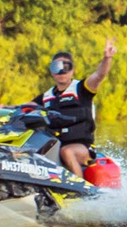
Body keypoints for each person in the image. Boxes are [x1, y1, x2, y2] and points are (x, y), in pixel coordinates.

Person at [29, 40, 116, 177]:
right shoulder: (46, 97)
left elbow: (99, 76)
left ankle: (80, 190)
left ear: (73, 70)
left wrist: (107, 58)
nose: (61, 71)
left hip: (82, 147)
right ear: (52, 72)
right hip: (54, 144)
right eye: (56, 67)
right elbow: (26, 107)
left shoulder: (81, 88)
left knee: (67, 151)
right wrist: (3, 107)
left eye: (66, 66)